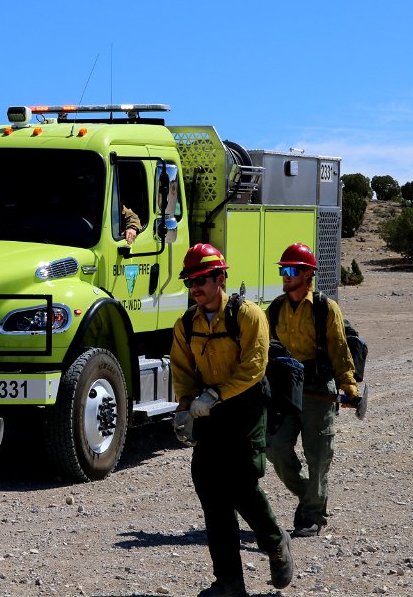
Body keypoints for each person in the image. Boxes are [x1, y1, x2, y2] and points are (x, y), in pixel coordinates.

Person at [171, 243, 293, 597]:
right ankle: (229, 583)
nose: (195, 286)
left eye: (202, 279)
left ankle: (275, 542)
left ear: (220, 278)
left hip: (246, 405)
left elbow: (254, 366)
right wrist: (183, 407)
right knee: (211, 492)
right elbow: (182, 369)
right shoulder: (186, 323)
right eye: (190, 280)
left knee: (240, 483)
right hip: (209, 412)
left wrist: (215, 395)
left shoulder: (249, 315)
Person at [264, 243, 360, 538]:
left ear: (308, 275)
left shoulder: (324, 308)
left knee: (318, 455)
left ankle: (312, 515)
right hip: (287, 389)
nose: (285, 276)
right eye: (283, 270)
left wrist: (350, 386)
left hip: (319, 387)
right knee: (275, 448)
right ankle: (311, 497)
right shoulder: (276, 308)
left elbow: (340, 350)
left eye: (291, 270)